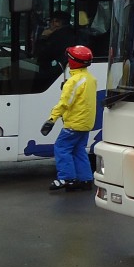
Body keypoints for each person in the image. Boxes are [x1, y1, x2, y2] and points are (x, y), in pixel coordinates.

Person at [41, 44, 97, 192]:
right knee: (79, 150)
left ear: (72, 61)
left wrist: (52, 119)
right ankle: (86, 180)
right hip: (86, 124)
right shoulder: (90, 79)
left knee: (61, 148)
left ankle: (66, 178)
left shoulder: (73, 82)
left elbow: (64, 103)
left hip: (74, 124)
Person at [34, 10, 74, 81]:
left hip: (54, 71)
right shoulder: (70, 32)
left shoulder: (58, 36)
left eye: (55, 21)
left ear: (61, 23)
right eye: (51, 21)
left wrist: (43, 37)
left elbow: (42, 54)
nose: (51, 24)